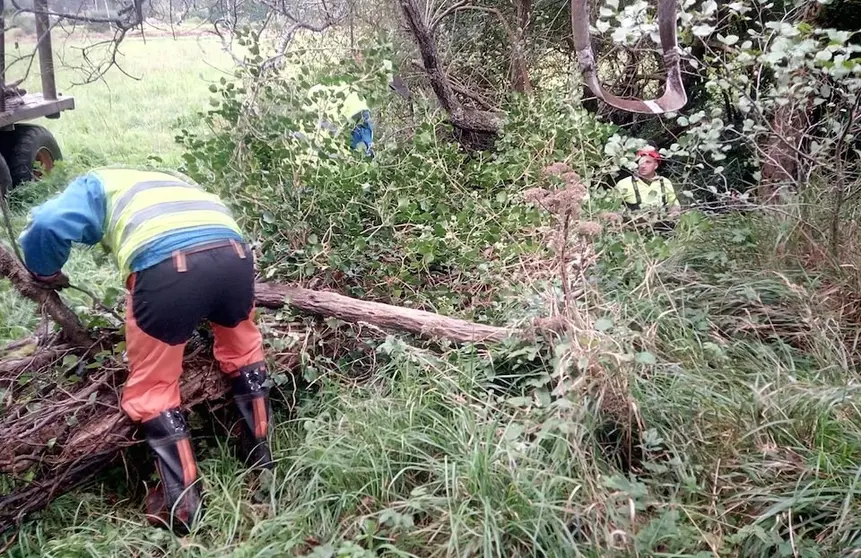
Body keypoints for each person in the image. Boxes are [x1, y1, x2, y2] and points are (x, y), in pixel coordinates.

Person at [17, 167, 274, 533]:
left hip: (168, 265)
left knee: (153, 390)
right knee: (244, 353)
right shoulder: (169, 181)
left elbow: (46, 223)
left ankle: (184, 508)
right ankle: (261, 462)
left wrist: (44, 272)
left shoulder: (95, 184)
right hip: (234, 256)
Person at [614, 145, 680, 231]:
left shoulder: (665, 182)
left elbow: (674, 206)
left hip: (662, 233)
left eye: (648, 162)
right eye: (640, 162)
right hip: (634, 234)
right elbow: (611, 208)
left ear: (655, 165)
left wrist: (672, 217)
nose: (643, 166)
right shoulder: (624, 184)